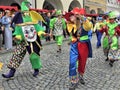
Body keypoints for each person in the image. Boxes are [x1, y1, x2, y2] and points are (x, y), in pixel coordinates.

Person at [2, 0, 47, 78]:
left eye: (27, 12)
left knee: (34, 55)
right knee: (17, 55)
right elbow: (18, 31)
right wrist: (18, 36)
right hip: (23, 41)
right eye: (24, 13)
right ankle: (11, 72)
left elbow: (38, 28)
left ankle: (36, 69)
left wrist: (42, 33)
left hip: (33, 40)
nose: (25, 14)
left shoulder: (33, 20)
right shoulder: (19, 21)